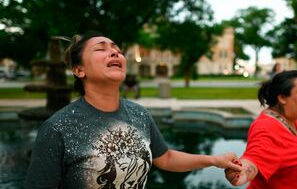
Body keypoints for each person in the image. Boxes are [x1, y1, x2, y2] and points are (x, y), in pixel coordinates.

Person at [24, 32, 241, 189]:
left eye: (117, 50)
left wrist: (214, 160)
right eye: (101, 49)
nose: (114, 53)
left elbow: (165, 158)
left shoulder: (139, 114)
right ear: (79, 70)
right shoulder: (57, 128)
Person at [225, 70, 297, 189]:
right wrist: (242, 170)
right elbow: (255, 156)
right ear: (282, 98)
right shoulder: (265, 127)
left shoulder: (292, 122)